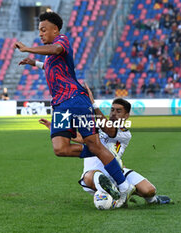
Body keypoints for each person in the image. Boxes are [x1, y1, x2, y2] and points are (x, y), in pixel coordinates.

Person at [14, 11, 135, 207]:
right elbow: (51, 66)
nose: (41, 34)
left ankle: (123, 187)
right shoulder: (52, 55)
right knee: (60, 149)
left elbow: (55, 50)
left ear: (55, 30)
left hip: (76, 101)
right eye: (39, 31)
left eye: (44, 30)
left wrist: (28, 49)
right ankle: (103, 153)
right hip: (61, 104)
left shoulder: (62, 41)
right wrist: (34, 63)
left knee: (94, 144)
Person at [39, 87, 172, 207]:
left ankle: (152, 200)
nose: (113, 113)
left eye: (118, 111)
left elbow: (107, 128)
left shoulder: (124, 133)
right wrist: (54, 128)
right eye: (112, 110)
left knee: (149, 191)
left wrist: (93, 103)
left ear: (126, 116)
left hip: (117, 172)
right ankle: (119, 191)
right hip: (93, 173)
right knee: (91, 176)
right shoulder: (96, 127)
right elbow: (80, 138)